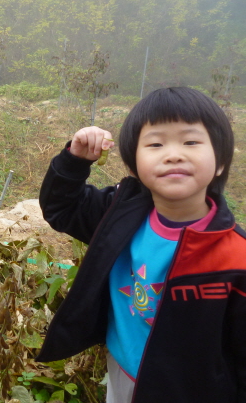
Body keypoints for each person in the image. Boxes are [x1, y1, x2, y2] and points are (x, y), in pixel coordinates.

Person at [37, 86, 245, 402]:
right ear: (134, 166)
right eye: (156, 143)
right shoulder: (119, 215)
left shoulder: (235, 256)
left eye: (191, 141)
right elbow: (61, 208)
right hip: (124, 369)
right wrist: (74, 160)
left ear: (219, 163)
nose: (174, 153)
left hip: (190, 389)